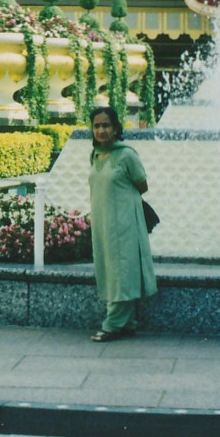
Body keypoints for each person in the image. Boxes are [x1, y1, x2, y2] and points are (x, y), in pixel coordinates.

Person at [87, 105, 156, 341]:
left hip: (124, 222)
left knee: (121, 271)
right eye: (97, 126)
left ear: (116, 128)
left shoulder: (127, 154)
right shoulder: (95, 154)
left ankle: (113, 323)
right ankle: (127, 322)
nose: (101, 130)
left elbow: (142, 185)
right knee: (111, 269)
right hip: (103, 222)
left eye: (106, 125)